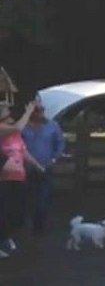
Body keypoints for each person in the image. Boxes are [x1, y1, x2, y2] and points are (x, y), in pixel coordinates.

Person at [1, 101, 44, 257]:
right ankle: (2, 239)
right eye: (7, 113)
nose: (11, 117)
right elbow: (19, 126)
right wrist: (28, 111)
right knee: (5, 210)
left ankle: (6, 236)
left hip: (19, 176)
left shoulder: (15, 134)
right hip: (4, 177)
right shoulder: (2, 129)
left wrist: (38, 165)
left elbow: (23, 151)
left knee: (17, 211)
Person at [22, 100, 66, 232]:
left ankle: (39, 225)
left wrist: (54, 158)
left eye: (42, 109)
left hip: (46, 166)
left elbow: (60, 142)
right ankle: (25, 223)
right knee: (27, 196)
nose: (40, 113)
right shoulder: (23, 126)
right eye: (37, 110)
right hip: (27, 167)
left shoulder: (52, 125)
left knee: (44, 196)